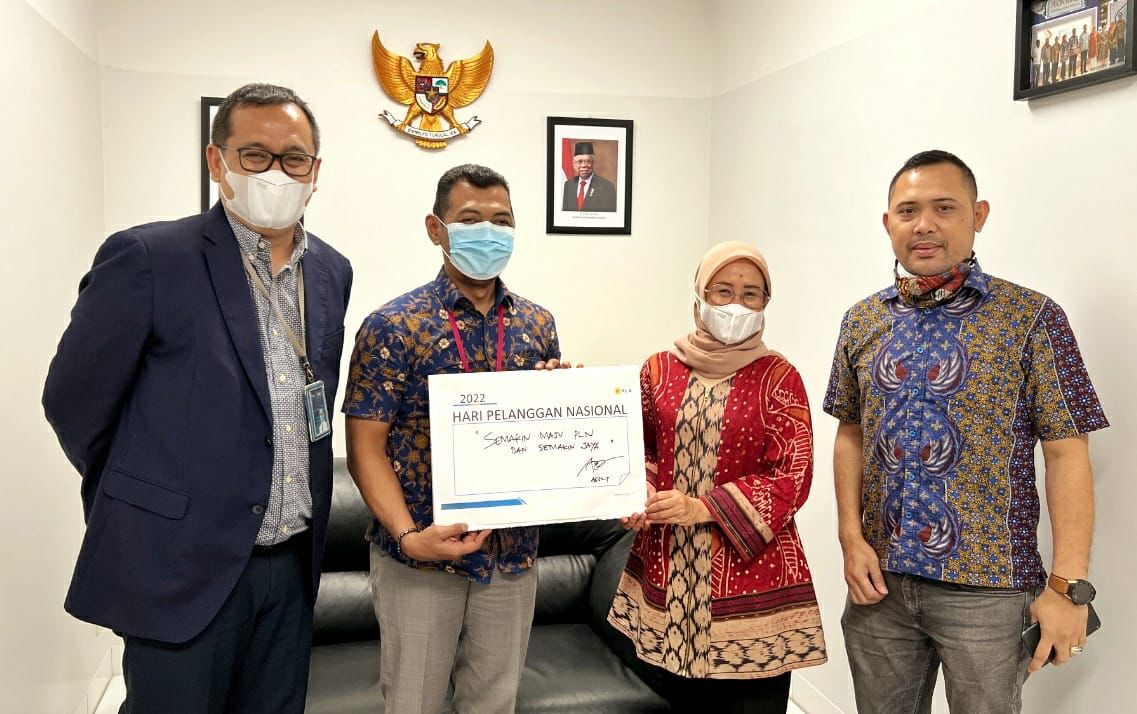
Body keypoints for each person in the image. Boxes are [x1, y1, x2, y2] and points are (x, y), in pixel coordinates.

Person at [42, 83, 353, 712]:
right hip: (179, 564)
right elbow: (73, 402)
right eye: (254, 155)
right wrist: (147, 499)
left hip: (290, 567)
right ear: (217, 161)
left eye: (294, 158)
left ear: (315, 172)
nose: (276, 172)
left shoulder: (331, 271)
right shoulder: (150, 258)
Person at [824, 150, 1107, 713]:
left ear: (978, 215)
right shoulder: (862, 320)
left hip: (988, 593)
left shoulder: (1031, 318)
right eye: (908, 211)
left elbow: (1067, 452)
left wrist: (1067, 587)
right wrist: (850, 539)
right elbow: (850, 432)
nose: (924, 224)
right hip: (879, 588)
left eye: (944, 207)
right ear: (888, 222)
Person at [343, 164, 570, 713]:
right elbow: (364, 449)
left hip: (511, 558)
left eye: (502, 221)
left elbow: (545, 437)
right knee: (413, 703)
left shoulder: (537, 324)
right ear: (435, 228)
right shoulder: (393, 325)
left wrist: (563, 399)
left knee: (495, 702)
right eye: (470, 219)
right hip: (422, 557)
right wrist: (408, 536)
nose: (488, 232)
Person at [609, 241, 827, 713]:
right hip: (667, 571)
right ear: (699, 295)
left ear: (766, 302)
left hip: (753, 583)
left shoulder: (779, 377)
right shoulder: (657, 370)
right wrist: (638, 491)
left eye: (751, 294)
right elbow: (641, 447)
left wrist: (702, 507)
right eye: (723, 291)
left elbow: (793, 474)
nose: (735, 305)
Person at [561, 141, 618, 212]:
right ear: (573, 164)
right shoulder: (568, 185)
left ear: (594, 163)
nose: (584, 165)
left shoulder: (607, 187)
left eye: (588, 161)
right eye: (579, 162)